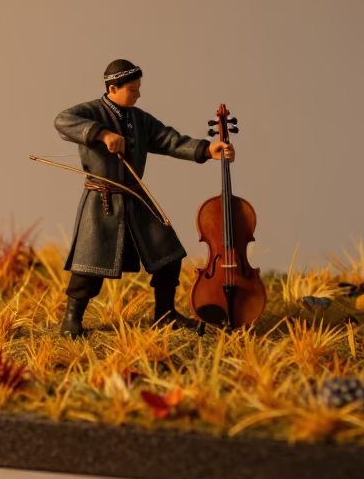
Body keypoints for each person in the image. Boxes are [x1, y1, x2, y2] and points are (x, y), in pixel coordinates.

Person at [54, 59, 234, 337]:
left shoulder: (139, 118)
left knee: (168, 254)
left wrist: (206, 150)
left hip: (137, 199)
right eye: (132, 89)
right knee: (89, 266)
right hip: (102, 203)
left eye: (139, 88)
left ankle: (165, 315)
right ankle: (71, 322)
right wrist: (101, 133)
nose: (138, 95)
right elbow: (63, 120)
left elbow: (167, 139)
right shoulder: (91, 111)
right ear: (113, 88)